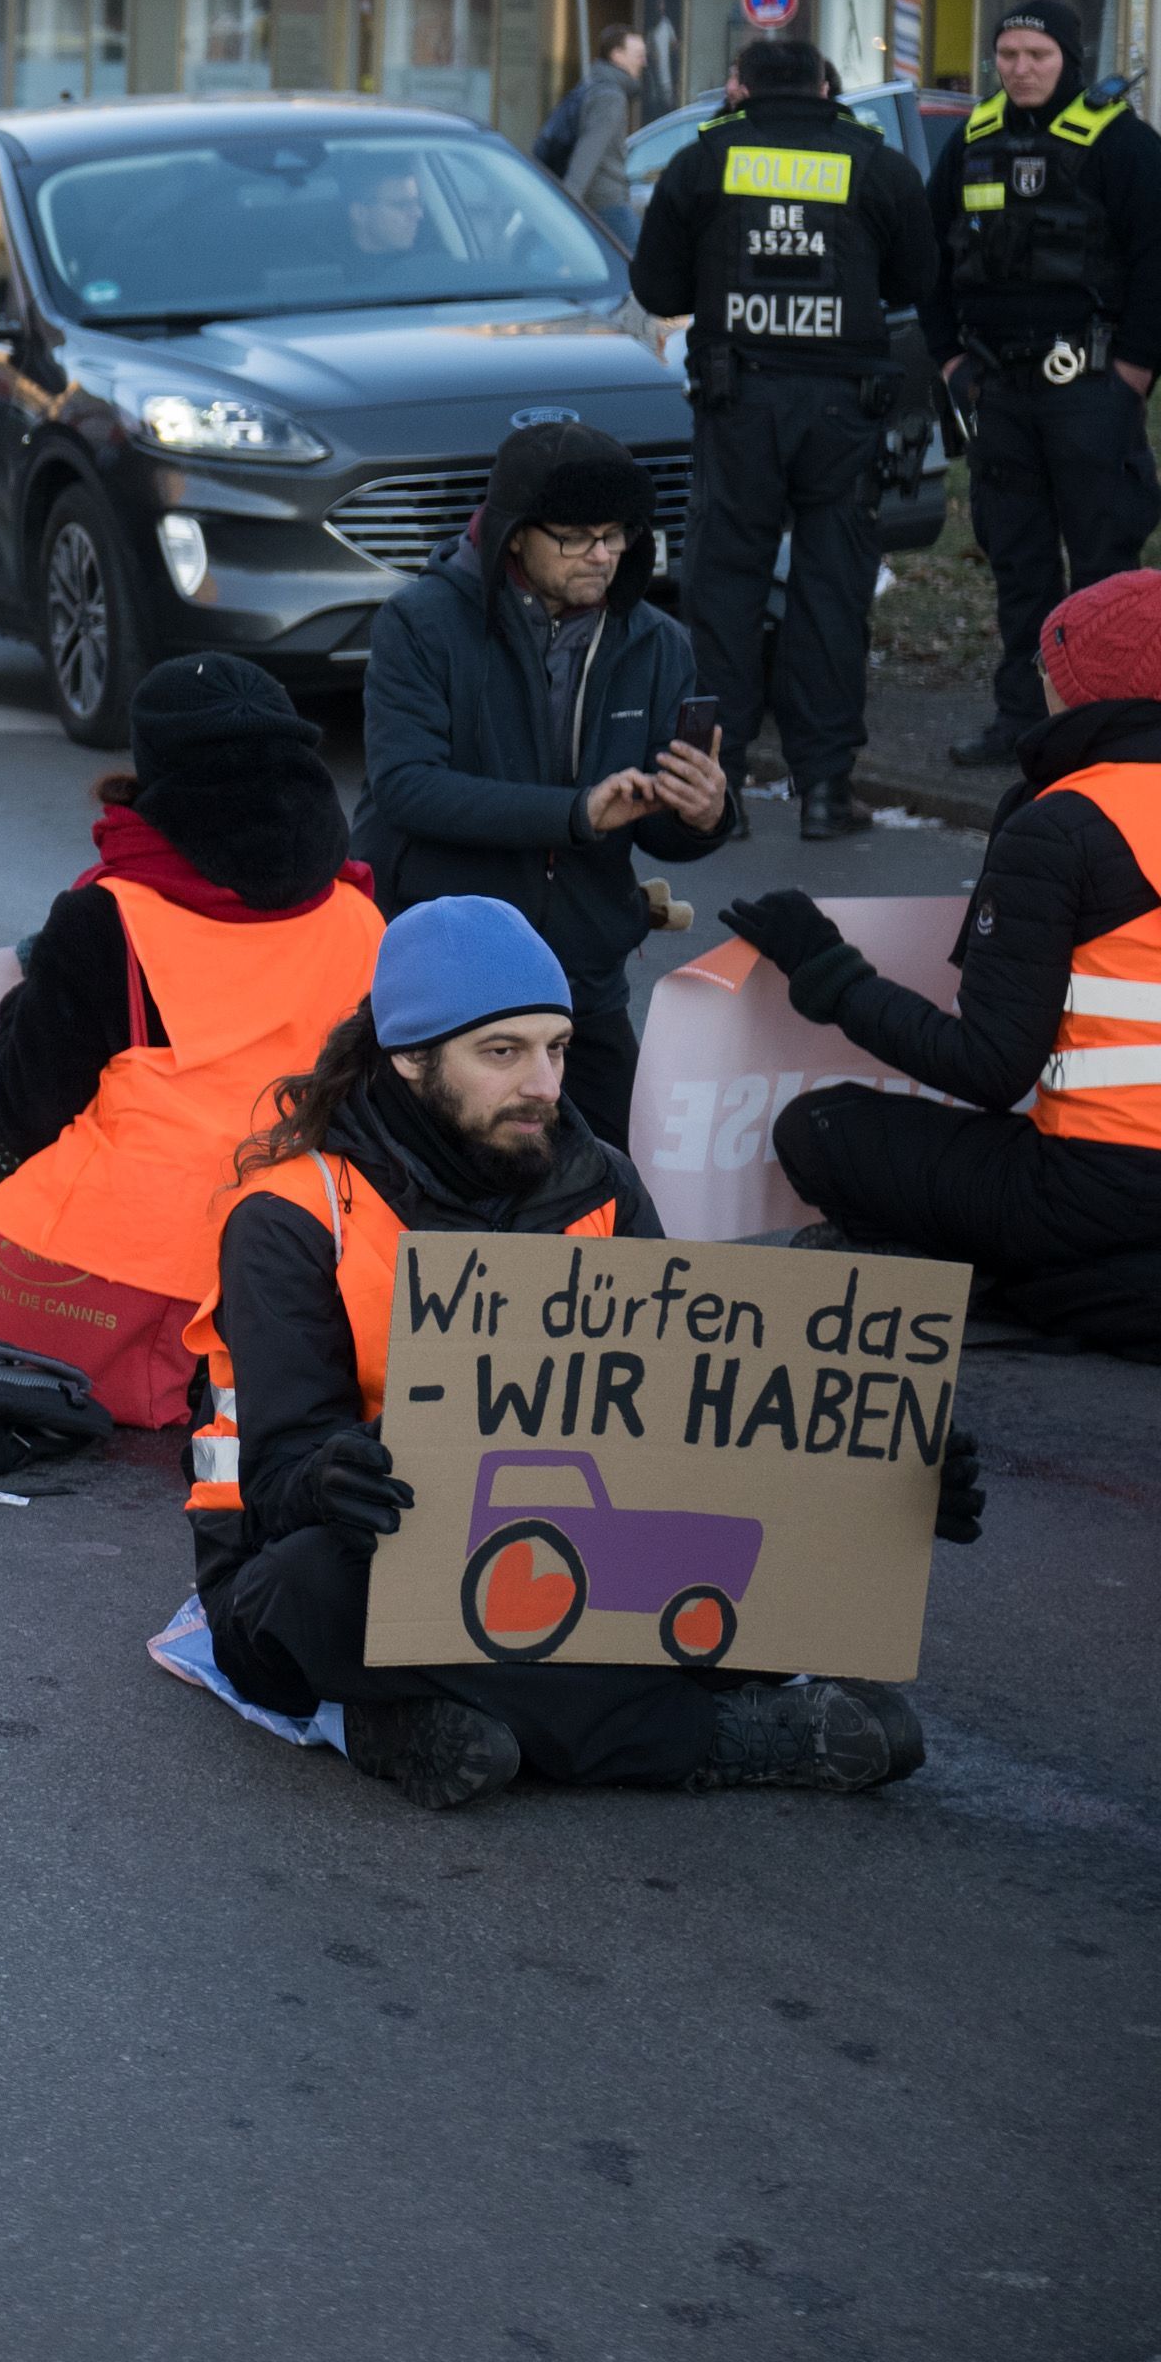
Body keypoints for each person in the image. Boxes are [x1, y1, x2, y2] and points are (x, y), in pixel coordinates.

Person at [177, 896, 963, 1809]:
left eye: (556, 1046)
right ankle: (714, 1738)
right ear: (410, 1057)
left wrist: (881, 1473)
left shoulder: (600, 1182)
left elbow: (693, 1422)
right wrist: (329, 1479)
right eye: (502, 1052)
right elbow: (274, 1483)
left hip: (556, 1556)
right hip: (342, 1558)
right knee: (308, 1598)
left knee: (775, 1578)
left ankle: (400, 1726)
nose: (545, 1083)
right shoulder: (293, 1214)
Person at [0, 655, 376, 1421]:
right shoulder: (360, 911)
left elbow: (24, 1114)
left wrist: (26, 999)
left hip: (150, 1253)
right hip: (313, 1235)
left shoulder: (109, 916)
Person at [710, 561, 1161, 1357]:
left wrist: (829, 972)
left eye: (1049, 671)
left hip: (1097, 1186)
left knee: (821, 1130)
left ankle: (1036, 1285)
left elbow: (989, 1067)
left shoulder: (1065, 825)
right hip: (1120, 1190)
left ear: (1080, 690)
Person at [346, 417, 728, 1148]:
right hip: (443, 970)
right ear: (515, 532)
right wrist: (576, 813)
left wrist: (701, 813)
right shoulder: (420, 623)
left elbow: (660, 828)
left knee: (615, 1184)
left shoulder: (657, 642)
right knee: (438, 1184)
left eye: (616, 536)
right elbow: (408, 786)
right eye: (578, 536)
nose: (603, 555)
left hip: (581, 974)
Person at [631, 32, 938, 836]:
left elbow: (656, 283)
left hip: (740, 406)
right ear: (826, 86)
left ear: (742, 91)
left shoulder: (705, 162)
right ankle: (827, 792)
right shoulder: (873, 162)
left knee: (722, 592)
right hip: (845, 410)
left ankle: (718, 792)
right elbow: (913, 281)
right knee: (833, 592)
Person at [926, 0, 1161, 769]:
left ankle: (1115, 727)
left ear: (1069, 58)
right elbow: (931, 260)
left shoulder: (1122, 144)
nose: (1021, 69)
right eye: (1009, 55)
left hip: (1092, 387)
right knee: (1019, 564)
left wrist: (1133, 369)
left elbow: (1156, 259)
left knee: (1102, 563)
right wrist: (950, 360)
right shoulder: (973, 141)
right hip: (1000, 390)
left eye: (1038, 55)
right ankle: (1022, 720)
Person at [535, 19, 652, 238]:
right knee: (637, 266)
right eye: (638, 55)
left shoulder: (594, 86)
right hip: (606, 201)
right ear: (617, 55)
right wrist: (568, 200)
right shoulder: (610, 96)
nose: (644, 62)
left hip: (598, 199)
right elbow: (589, 151)